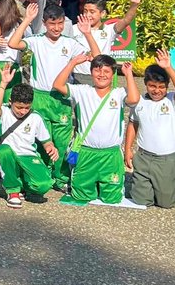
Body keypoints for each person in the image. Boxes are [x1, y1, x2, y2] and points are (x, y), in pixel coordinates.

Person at [7, 2, 100, 191]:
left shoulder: (70, 43)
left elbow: (97, 57)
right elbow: (13, 43)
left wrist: (88, 33)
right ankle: (40, 175)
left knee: (62, 141)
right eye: (52, 24)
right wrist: (27, 20)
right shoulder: (36, 40)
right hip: (40, 97)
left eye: (59, 23)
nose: (56, 28)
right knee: (40, 139)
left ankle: (61, 178)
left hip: (61, 98)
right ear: (45, 23)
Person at [53, 54, 126, 205]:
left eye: (106, 71)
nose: (102, 75)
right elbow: (58, 85)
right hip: (86, 152)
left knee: (112, 198)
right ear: (91, 72)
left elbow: (134, 99)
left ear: (113, 74)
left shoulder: (119, 93)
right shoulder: (82, 91)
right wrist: (72, 63)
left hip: (110, 154)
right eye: (97, 71)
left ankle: (104, 186)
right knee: (81, 195)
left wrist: (130, 75)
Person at [124, 49, 175, 209]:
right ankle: (139, 184)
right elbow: (133, 124)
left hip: (167, 158)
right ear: (146, 84)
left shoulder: (171, 100)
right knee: (141, 201)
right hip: (144, 156)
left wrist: (168, 67)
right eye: (152, 86)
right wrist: (127, 149)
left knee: (166, 203)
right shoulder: (139, 102)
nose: (156, 90)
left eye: (161, 87)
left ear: (167, 87)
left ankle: (174, 183)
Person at [0, 65, 58, 209]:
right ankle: (13, 191)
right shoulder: (5, 111)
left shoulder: (36, 117)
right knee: (3, 150)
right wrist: (3, 84)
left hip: (28, 155)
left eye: (26, 107)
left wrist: (51, 147)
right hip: (10, 155)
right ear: (11, 102)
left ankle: (25, 186)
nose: (23, 111)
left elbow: (46, 141)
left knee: (43, 185)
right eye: (19, 107)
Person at [67, 0, 143, 84]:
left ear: (103, 13)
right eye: (85, 11)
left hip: (103, 77)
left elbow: (126, 20)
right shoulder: (73, 29)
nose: (87, 15)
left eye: (92, 12)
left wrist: (134, 4)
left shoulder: (109, 30)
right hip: (79, 77)